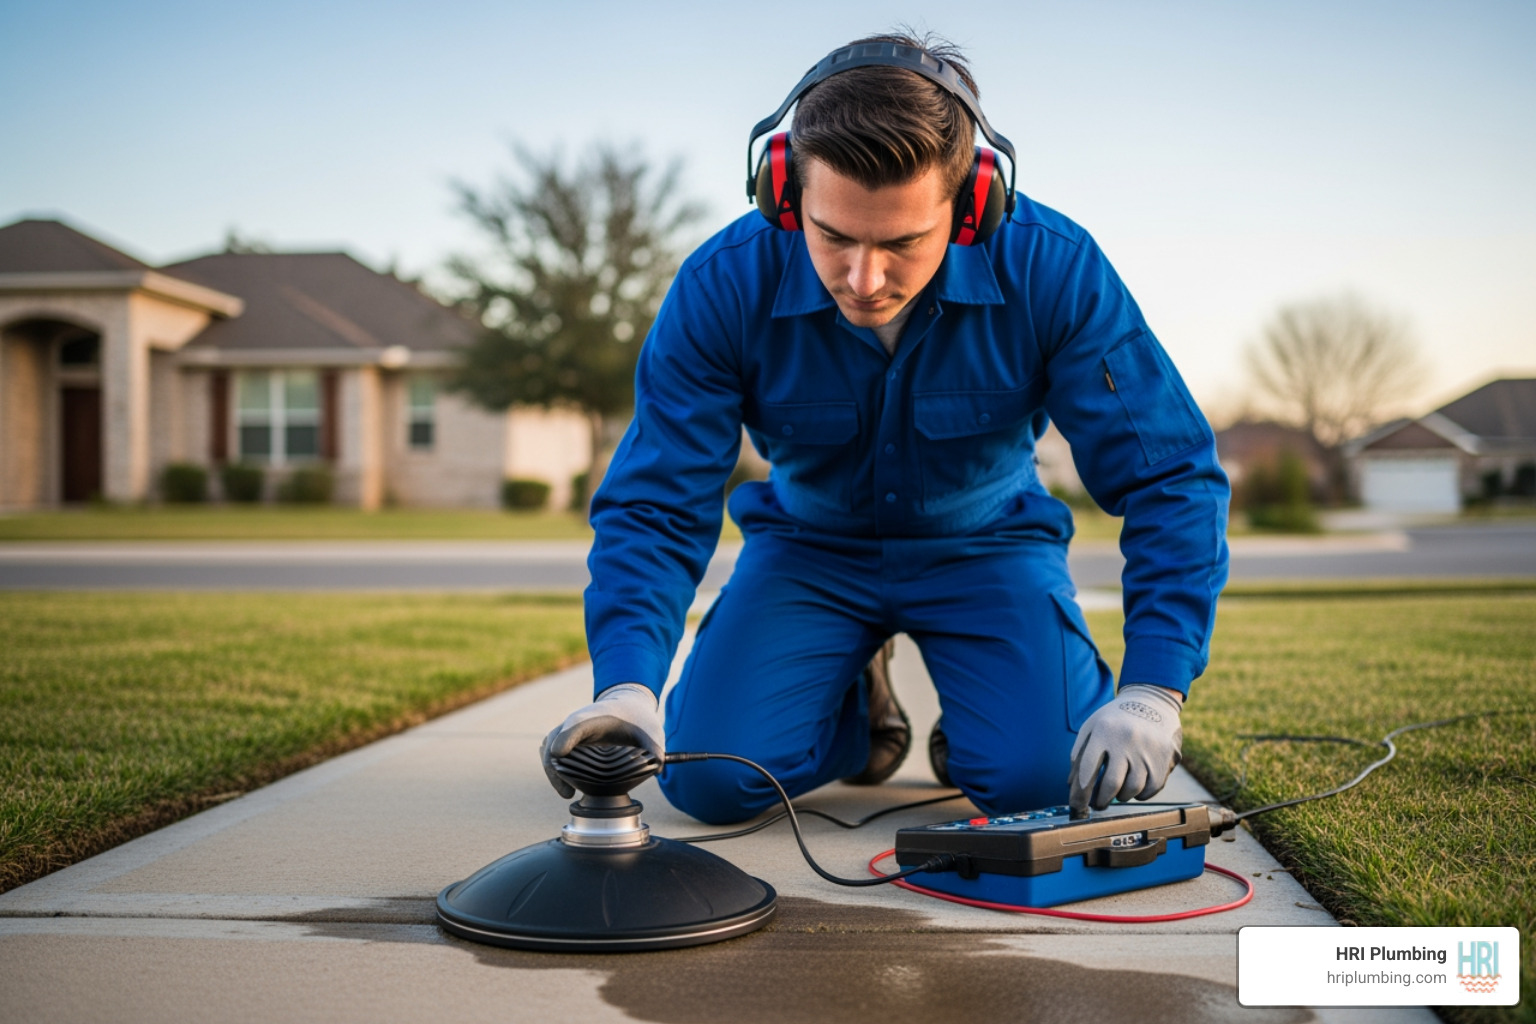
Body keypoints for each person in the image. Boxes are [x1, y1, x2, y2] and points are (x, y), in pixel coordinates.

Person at [541, 32, 1229, 824]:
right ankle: (854, 713)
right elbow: (657, 500)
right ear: (784, 191)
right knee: (709, 784)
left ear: (971, 207)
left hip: (987, 547)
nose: (864, 279)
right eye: (833, 235)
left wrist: (1152, 690)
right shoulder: (721, 284)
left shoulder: (1055, 269)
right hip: (809, 551)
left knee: (1044, 782)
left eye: (902, 243)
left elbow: (1171, 476)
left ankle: (980, 729)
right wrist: (627, 687)